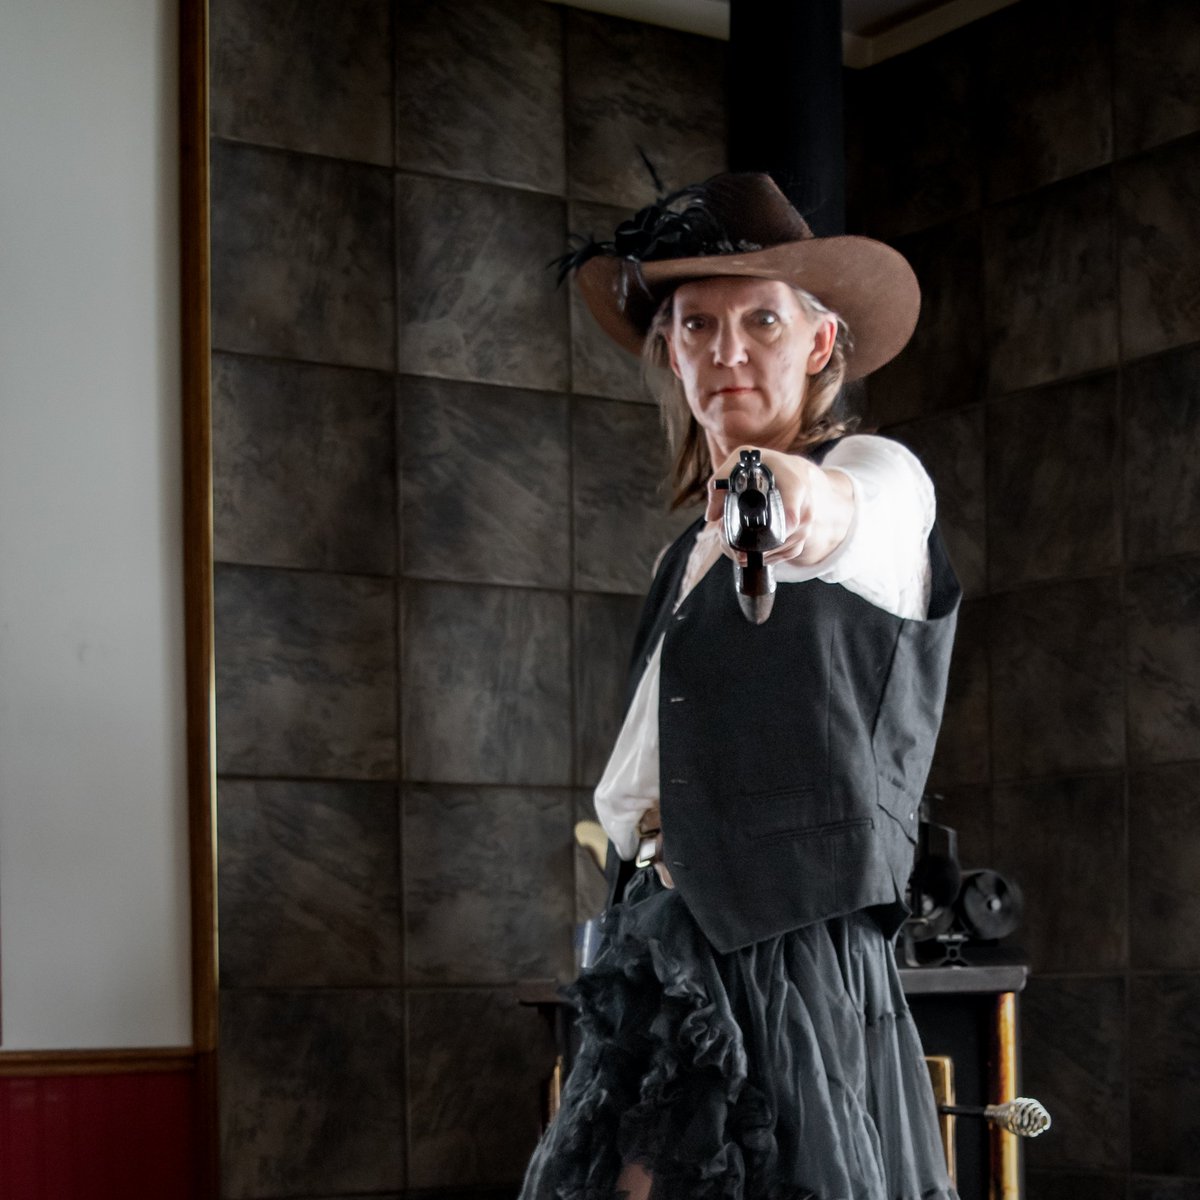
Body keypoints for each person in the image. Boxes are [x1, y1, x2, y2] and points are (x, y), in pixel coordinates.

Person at [521, 173, 961, 1200]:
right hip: (658, 932)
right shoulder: (686, 558)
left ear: (820, 343)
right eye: (696, 326)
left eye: (762, 320)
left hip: (785, 949)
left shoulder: (875, 476)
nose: (727, 351)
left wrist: (801, 497)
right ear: (669, 353)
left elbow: (860, 509)